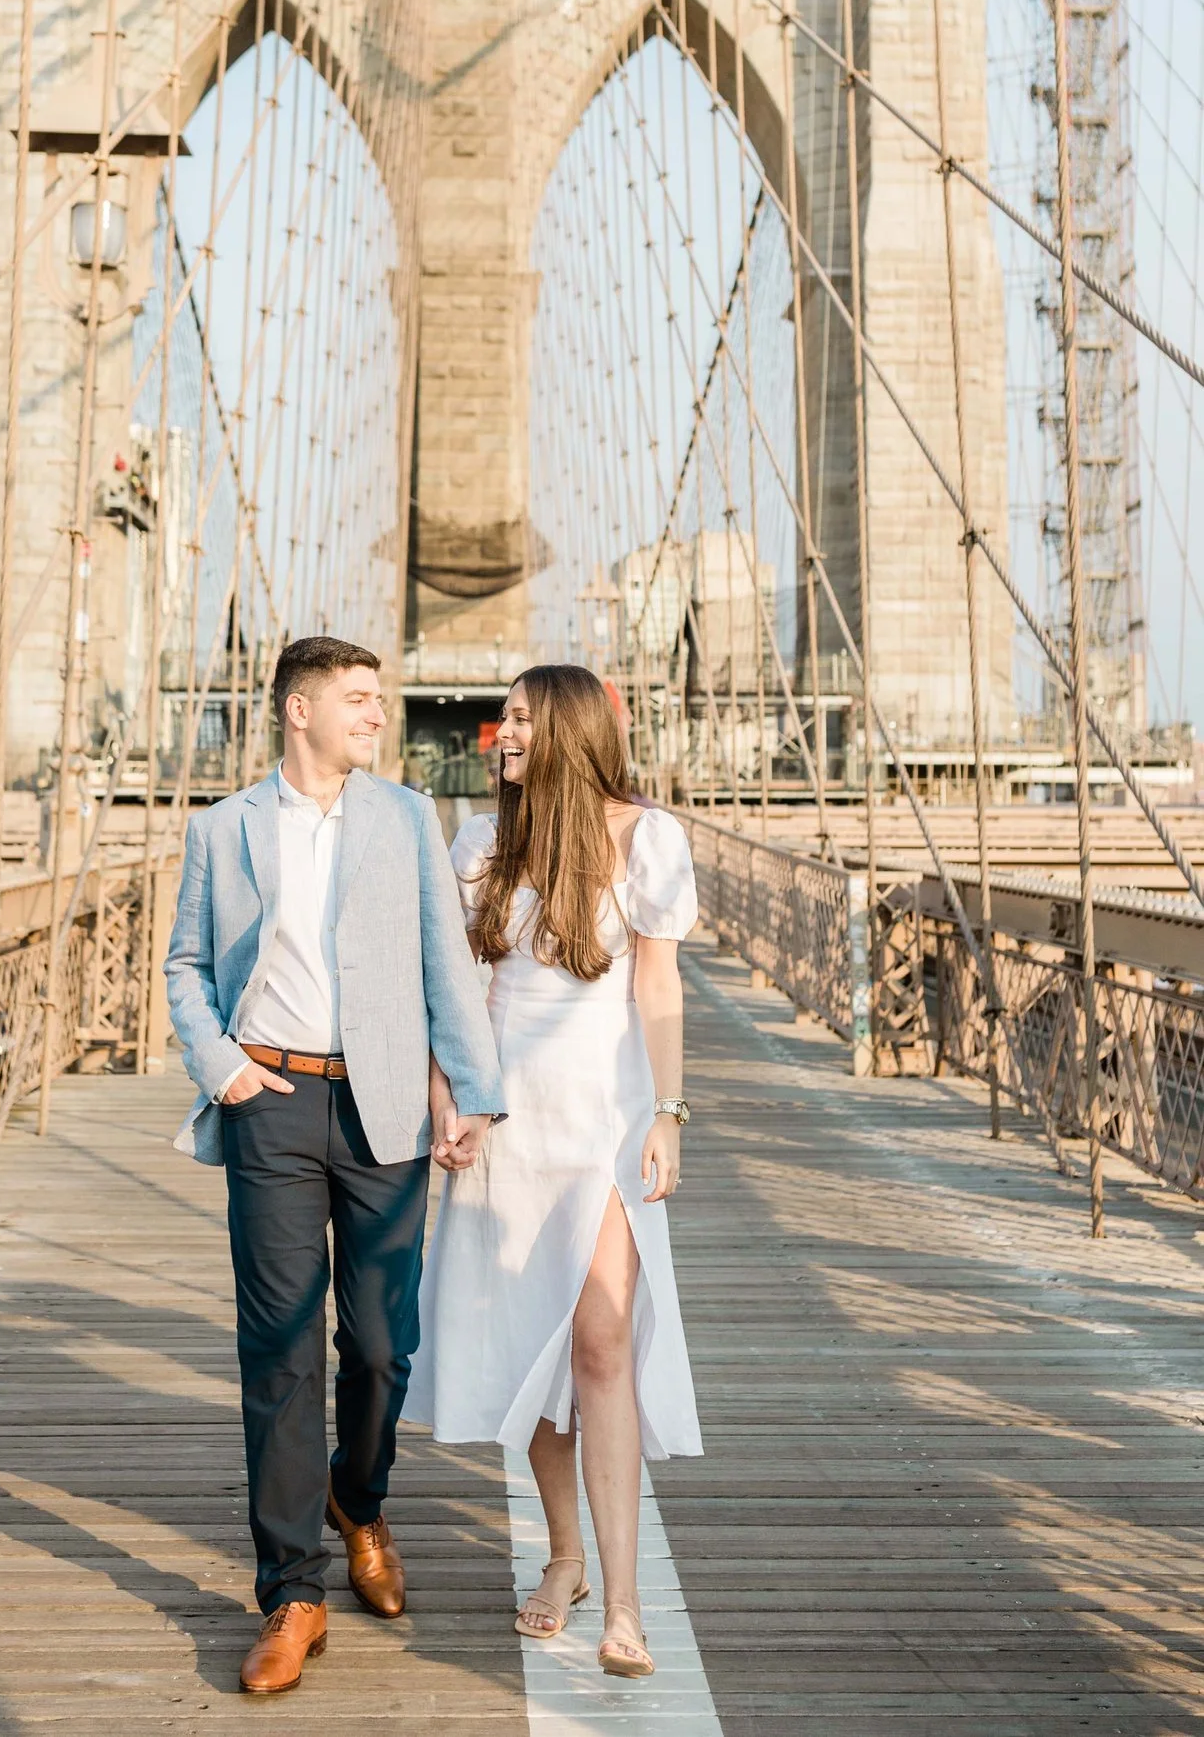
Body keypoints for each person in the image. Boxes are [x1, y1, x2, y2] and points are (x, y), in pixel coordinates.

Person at [165, 635, 506, 1696]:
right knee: (278, 1347)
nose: (375, 714)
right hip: (267, 1098)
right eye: (357, 699)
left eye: (378, 700)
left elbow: (444, 962)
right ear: (298, 709)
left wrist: (476, 1091)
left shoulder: (405, 817)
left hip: (386, 1101)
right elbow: (184, 965)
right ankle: (295, 1591)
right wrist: (220, 1067)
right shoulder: (223, 830)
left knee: (380, 1343)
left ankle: (360, 1500)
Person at [405, 663, 702, 1680]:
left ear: (570, 729)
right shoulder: (485, 845)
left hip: (606, 1121)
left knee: (604, 1339)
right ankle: (563, 1557)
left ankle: (624, 1606)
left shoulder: (647, 840)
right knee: (535, 1337)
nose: (503, 732)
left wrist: (668, 1112)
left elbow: (656, 986)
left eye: (523, 717)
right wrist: (453, 1105)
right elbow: (463, 991)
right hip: (508, 1125)